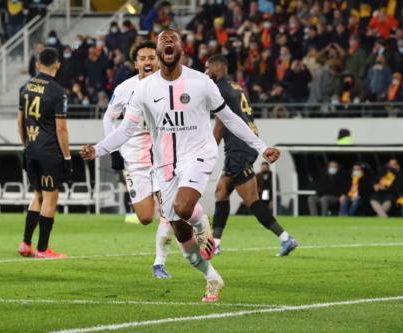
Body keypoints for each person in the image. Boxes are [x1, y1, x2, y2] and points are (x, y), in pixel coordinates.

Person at [80, 29, 280, 302]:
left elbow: (231, 119)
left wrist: (262, 146)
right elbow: (125, 129)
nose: (168, 42)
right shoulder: (144, 89)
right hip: (165, 165)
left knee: (183, 207)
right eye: (164, 40)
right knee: (180, 234)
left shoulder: (201, 82)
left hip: (198, 154)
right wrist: (98, 148)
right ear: (161, 52)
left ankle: (202, 224)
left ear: (182, 50)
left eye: (173, 39)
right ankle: (212, 278)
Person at [206, 54, 297, 257]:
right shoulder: (238, 87)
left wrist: (208, 153)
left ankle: (286, 238)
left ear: (218, 67)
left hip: (239, 146)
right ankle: (216, 244)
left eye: (208, 68)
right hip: (245, 142)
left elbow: (220, 125)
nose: (206, 72)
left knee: (251, 201)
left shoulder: (219, 88)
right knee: (221, 191)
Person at [103, 40, 174, 279]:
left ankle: (159, 264)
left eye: (152, 57)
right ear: (136, 64)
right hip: (135, 158)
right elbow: (108, 119)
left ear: (159, 60)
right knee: (145, 217)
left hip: (163, 157)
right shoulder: (125, 88)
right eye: (143, 58)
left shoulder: (169, 86)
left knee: (168, 211)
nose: (147, 62)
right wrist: (114, 151)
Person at [17, 47, 72, 258]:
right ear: (58, 65)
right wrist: (67, 157)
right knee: (51, 196)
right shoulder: (58, 91)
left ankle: (25, 243)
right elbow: (61, 129)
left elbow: (20, 121)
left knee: (38, 195)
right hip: (49, 152)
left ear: (38, 64)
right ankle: (42, 249)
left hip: (30, 150)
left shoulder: (25, 86)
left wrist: (25, 146)